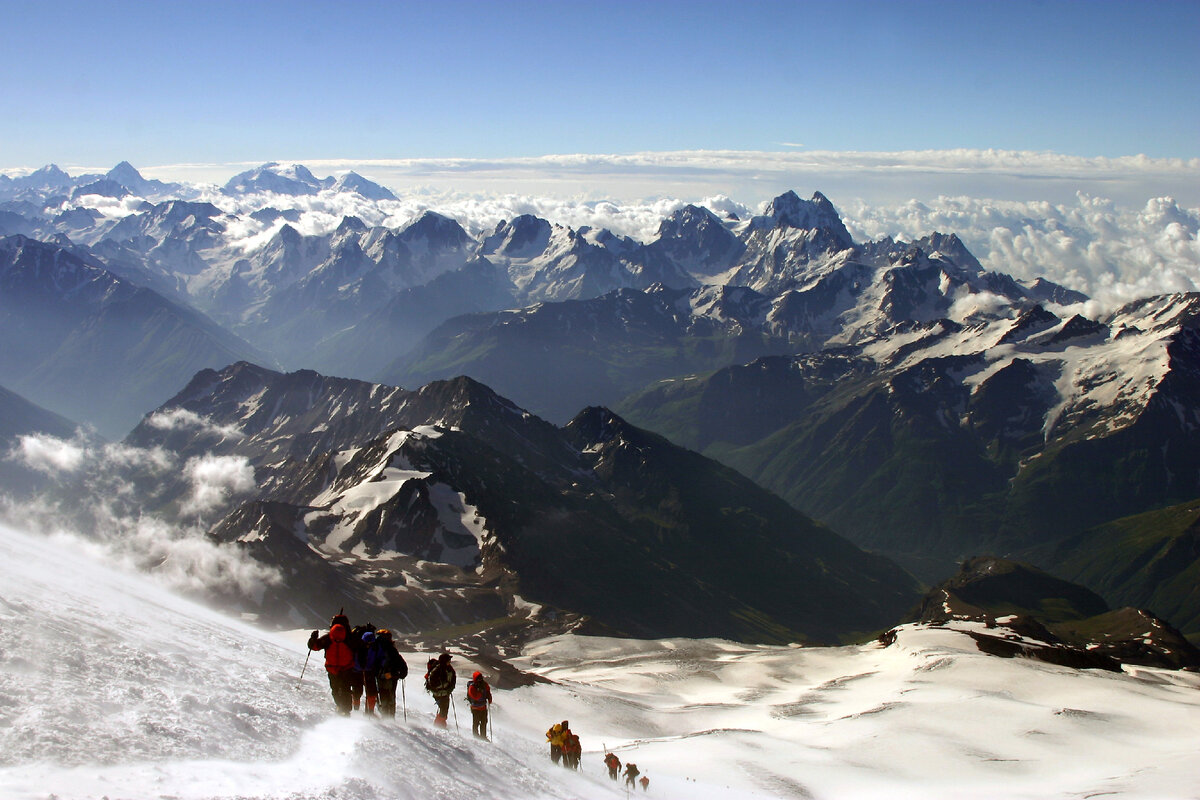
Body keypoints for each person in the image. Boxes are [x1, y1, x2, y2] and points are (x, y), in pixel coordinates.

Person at [308, 612, 355, 715]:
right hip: (347, 668)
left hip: (332, 668)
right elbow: (359, 649)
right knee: (345, 689)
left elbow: (314, 646)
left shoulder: (329, 637)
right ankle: (346, 711)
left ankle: (339, 706)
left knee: (335, 689)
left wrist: (313, 638)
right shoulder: (350, 638)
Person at [372, 629, 408, 719]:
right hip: (391, 676)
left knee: (382, 695)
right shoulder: (391, 649)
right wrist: (401, 674)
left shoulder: (375, 647)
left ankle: (384, 715)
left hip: (379, 676)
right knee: (390, 696)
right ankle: (390, 717)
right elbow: (401, 664)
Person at [425, 652, 456, 727]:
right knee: (443, 709)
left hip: (443, 693)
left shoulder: (447, 669)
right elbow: (433, 682)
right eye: (449, 660)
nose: (450, 661)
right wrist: (445, 687)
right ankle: (438, 725)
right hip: (440, 693)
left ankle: (441, 724)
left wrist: (447, 689)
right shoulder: (438, 670)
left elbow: (452, 681)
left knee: (444, 709)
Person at [354, 630, 380, 715]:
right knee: (358, 692)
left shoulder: (374, 647)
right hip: (361, 672)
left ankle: (369, 711)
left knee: (370, 693)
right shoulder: (359, 647)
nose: (368, 645)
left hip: (364, 672)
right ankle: (357, 709)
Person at [465, 670, 493, 740]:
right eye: (478, 678)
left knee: (484, 722)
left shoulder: (484, 684)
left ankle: (483, 736)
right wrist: (481, 692)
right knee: (476, 722)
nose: (480, 680)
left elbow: (488, 692)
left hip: (483, 707)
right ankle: (476, 736)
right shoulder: (472, 687)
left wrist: (489, 698)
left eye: (481, 678)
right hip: (475, 708)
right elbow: (475, 697)